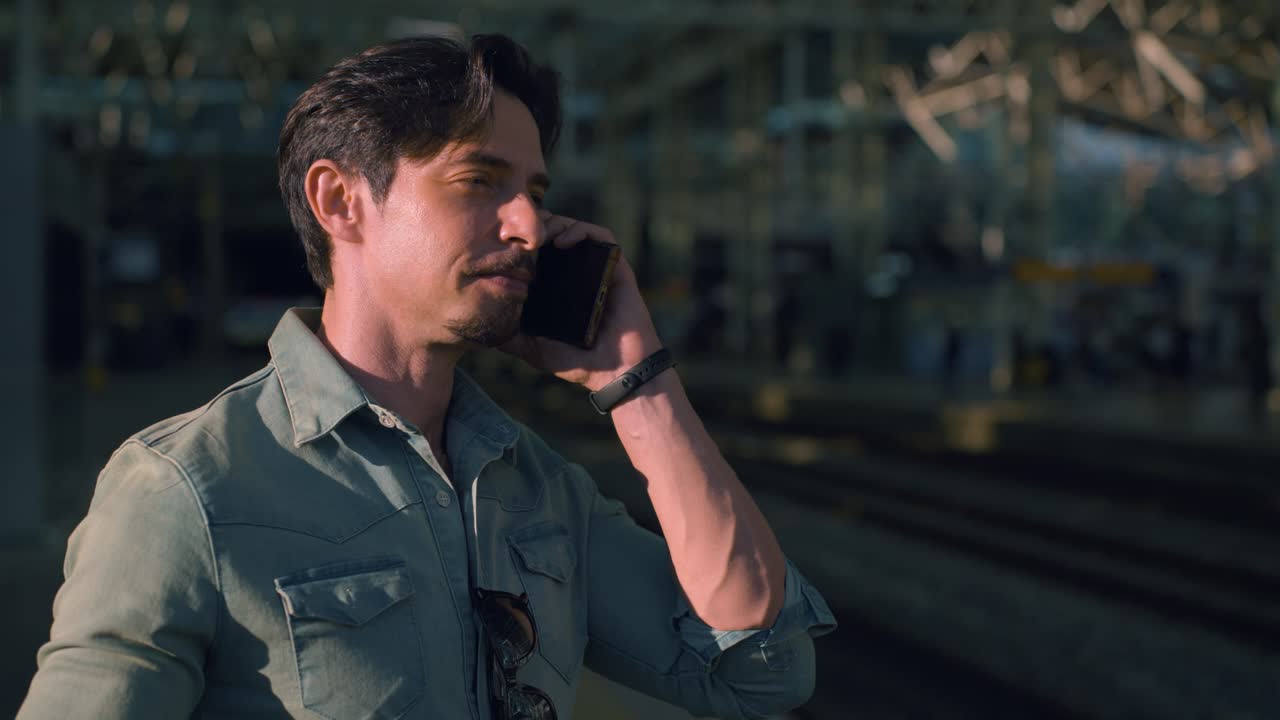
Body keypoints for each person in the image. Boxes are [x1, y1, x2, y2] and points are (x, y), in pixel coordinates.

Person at [19, 34, 835, 720]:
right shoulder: (185, 492)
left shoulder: (538, 490)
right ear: (340, 201)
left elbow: (762, 673)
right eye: (479, 181)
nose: (530, 224)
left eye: (535, 191)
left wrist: (639, 383)